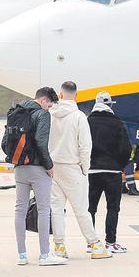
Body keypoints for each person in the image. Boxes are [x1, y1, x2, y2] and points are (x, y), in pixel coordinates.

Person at [49, 82, 112, 260]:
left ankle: (59, 246)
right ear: (76, 95)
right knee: (81, 210)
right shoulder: (79, 117)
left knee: (57, 209)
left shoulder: (51, 115)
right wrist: (85, 168)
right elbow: (85, 146)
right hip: (73, 167)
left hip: (54, 167)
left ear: (60, 94)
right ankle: (95, 245)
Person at [6, 87, 68, 266]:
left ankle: (22, 255)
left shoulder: (15, 112)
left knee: (20, 209)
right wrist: (49, 165)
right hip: (37, 168)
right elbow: (41, 142)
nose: (49, 109)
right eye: (49, 105)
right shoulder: (42, 115)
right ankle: (44, 255)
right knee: (43, 210)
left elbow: (5, 142)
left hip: (19, 167)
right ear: (43, 100)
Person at [87, 91, 132, 253]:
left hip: (92, 170)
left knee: (90, 208)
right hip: (112, 171)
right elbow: (126, 148)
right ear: (110, 105)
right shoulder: (118, 123)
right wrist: (119, 165)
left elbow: (81, 145)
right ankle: (110, 242)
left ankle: (91, 243)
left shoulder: (87, 122)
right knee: (113, 207)